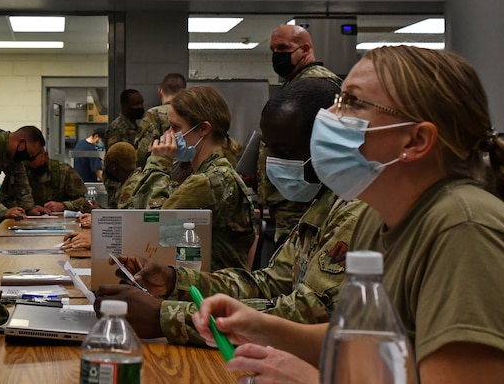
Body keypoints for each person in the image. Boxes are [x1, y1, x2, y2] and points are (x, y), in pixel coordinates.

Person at [193, 46, 504, 383]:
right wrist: (263, 327)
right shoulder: (375, 219)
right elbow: (365, 343)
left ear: (416, 140)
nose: (328, 115)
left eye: (352, 103)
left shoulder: (465, 230)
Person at [96, 78, 365, 344]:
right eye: (269, 150)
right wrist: (173, 280)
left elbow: (309, 313)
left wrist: (166, 317)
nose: (271, 163)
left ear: (326, 146)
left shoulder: (355, 214)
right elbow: (269, 284)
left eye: (284, 151)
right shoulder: (324, 204)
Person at [119, 85, 256, 270]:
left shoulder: (207, 182)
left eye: (176, 127)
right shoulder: (213, 172)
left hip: (205, 284)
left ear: (203, 129)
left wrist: (159, 162)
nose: (168, 135)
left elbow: (153, 231)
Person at [259, 25, 343, 248]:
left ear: (305, 49)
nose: (277, 55)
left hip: (305, 201)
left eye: (283, 48)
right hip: (290, 200)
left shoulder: (317, 86)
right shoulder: (296, 83)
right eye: (273, 50)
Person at [0, 126, 49, 233]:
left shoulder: (12, 152)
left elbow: (20, 180)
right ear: (21, 142)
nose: (28, 158)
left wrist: (30, 208)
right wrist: (3, 212)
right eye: (30, 154)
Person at [134, 72, 187, 167]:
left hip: (159, 169)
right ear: (185, 93)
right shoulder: (191, 112)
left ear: (160, 92)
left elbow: (142, 153)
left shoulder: (153, 114)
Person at [23, 149, 89, 213]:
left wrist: (64, 205)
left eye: (32, 158)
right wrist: (29, 208)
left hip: (61, 218)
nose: (29, 163)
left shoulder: (64, 171)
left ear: (45, 154)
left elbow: (85, 200)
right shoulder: (21, 172)